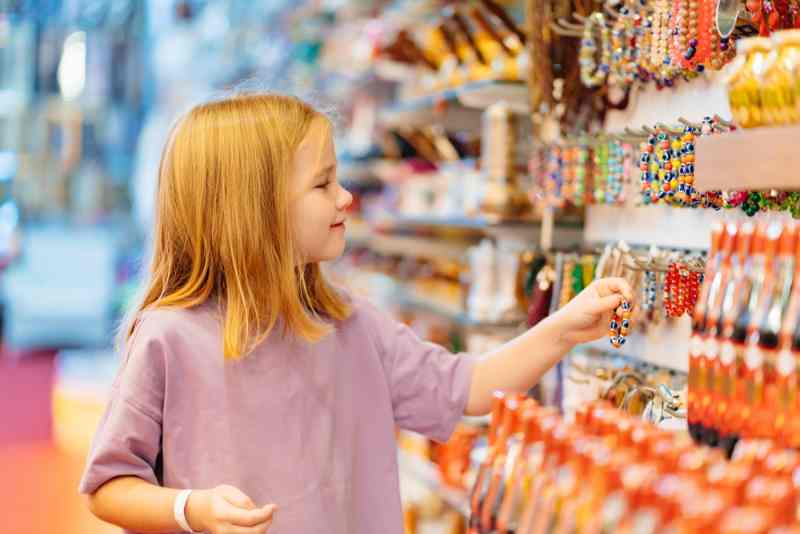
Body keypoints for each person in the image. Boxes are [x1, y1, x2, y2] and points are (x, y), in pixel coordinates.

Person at [80, 93, 633, 534]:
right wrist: (190, 510)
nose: (346, 197)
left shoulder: (348, 323)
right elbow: (109, 486)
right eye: (322, 183)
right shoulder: (168, 338)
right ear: (255, 210)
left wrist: (564, 327)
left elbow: (469, 389)